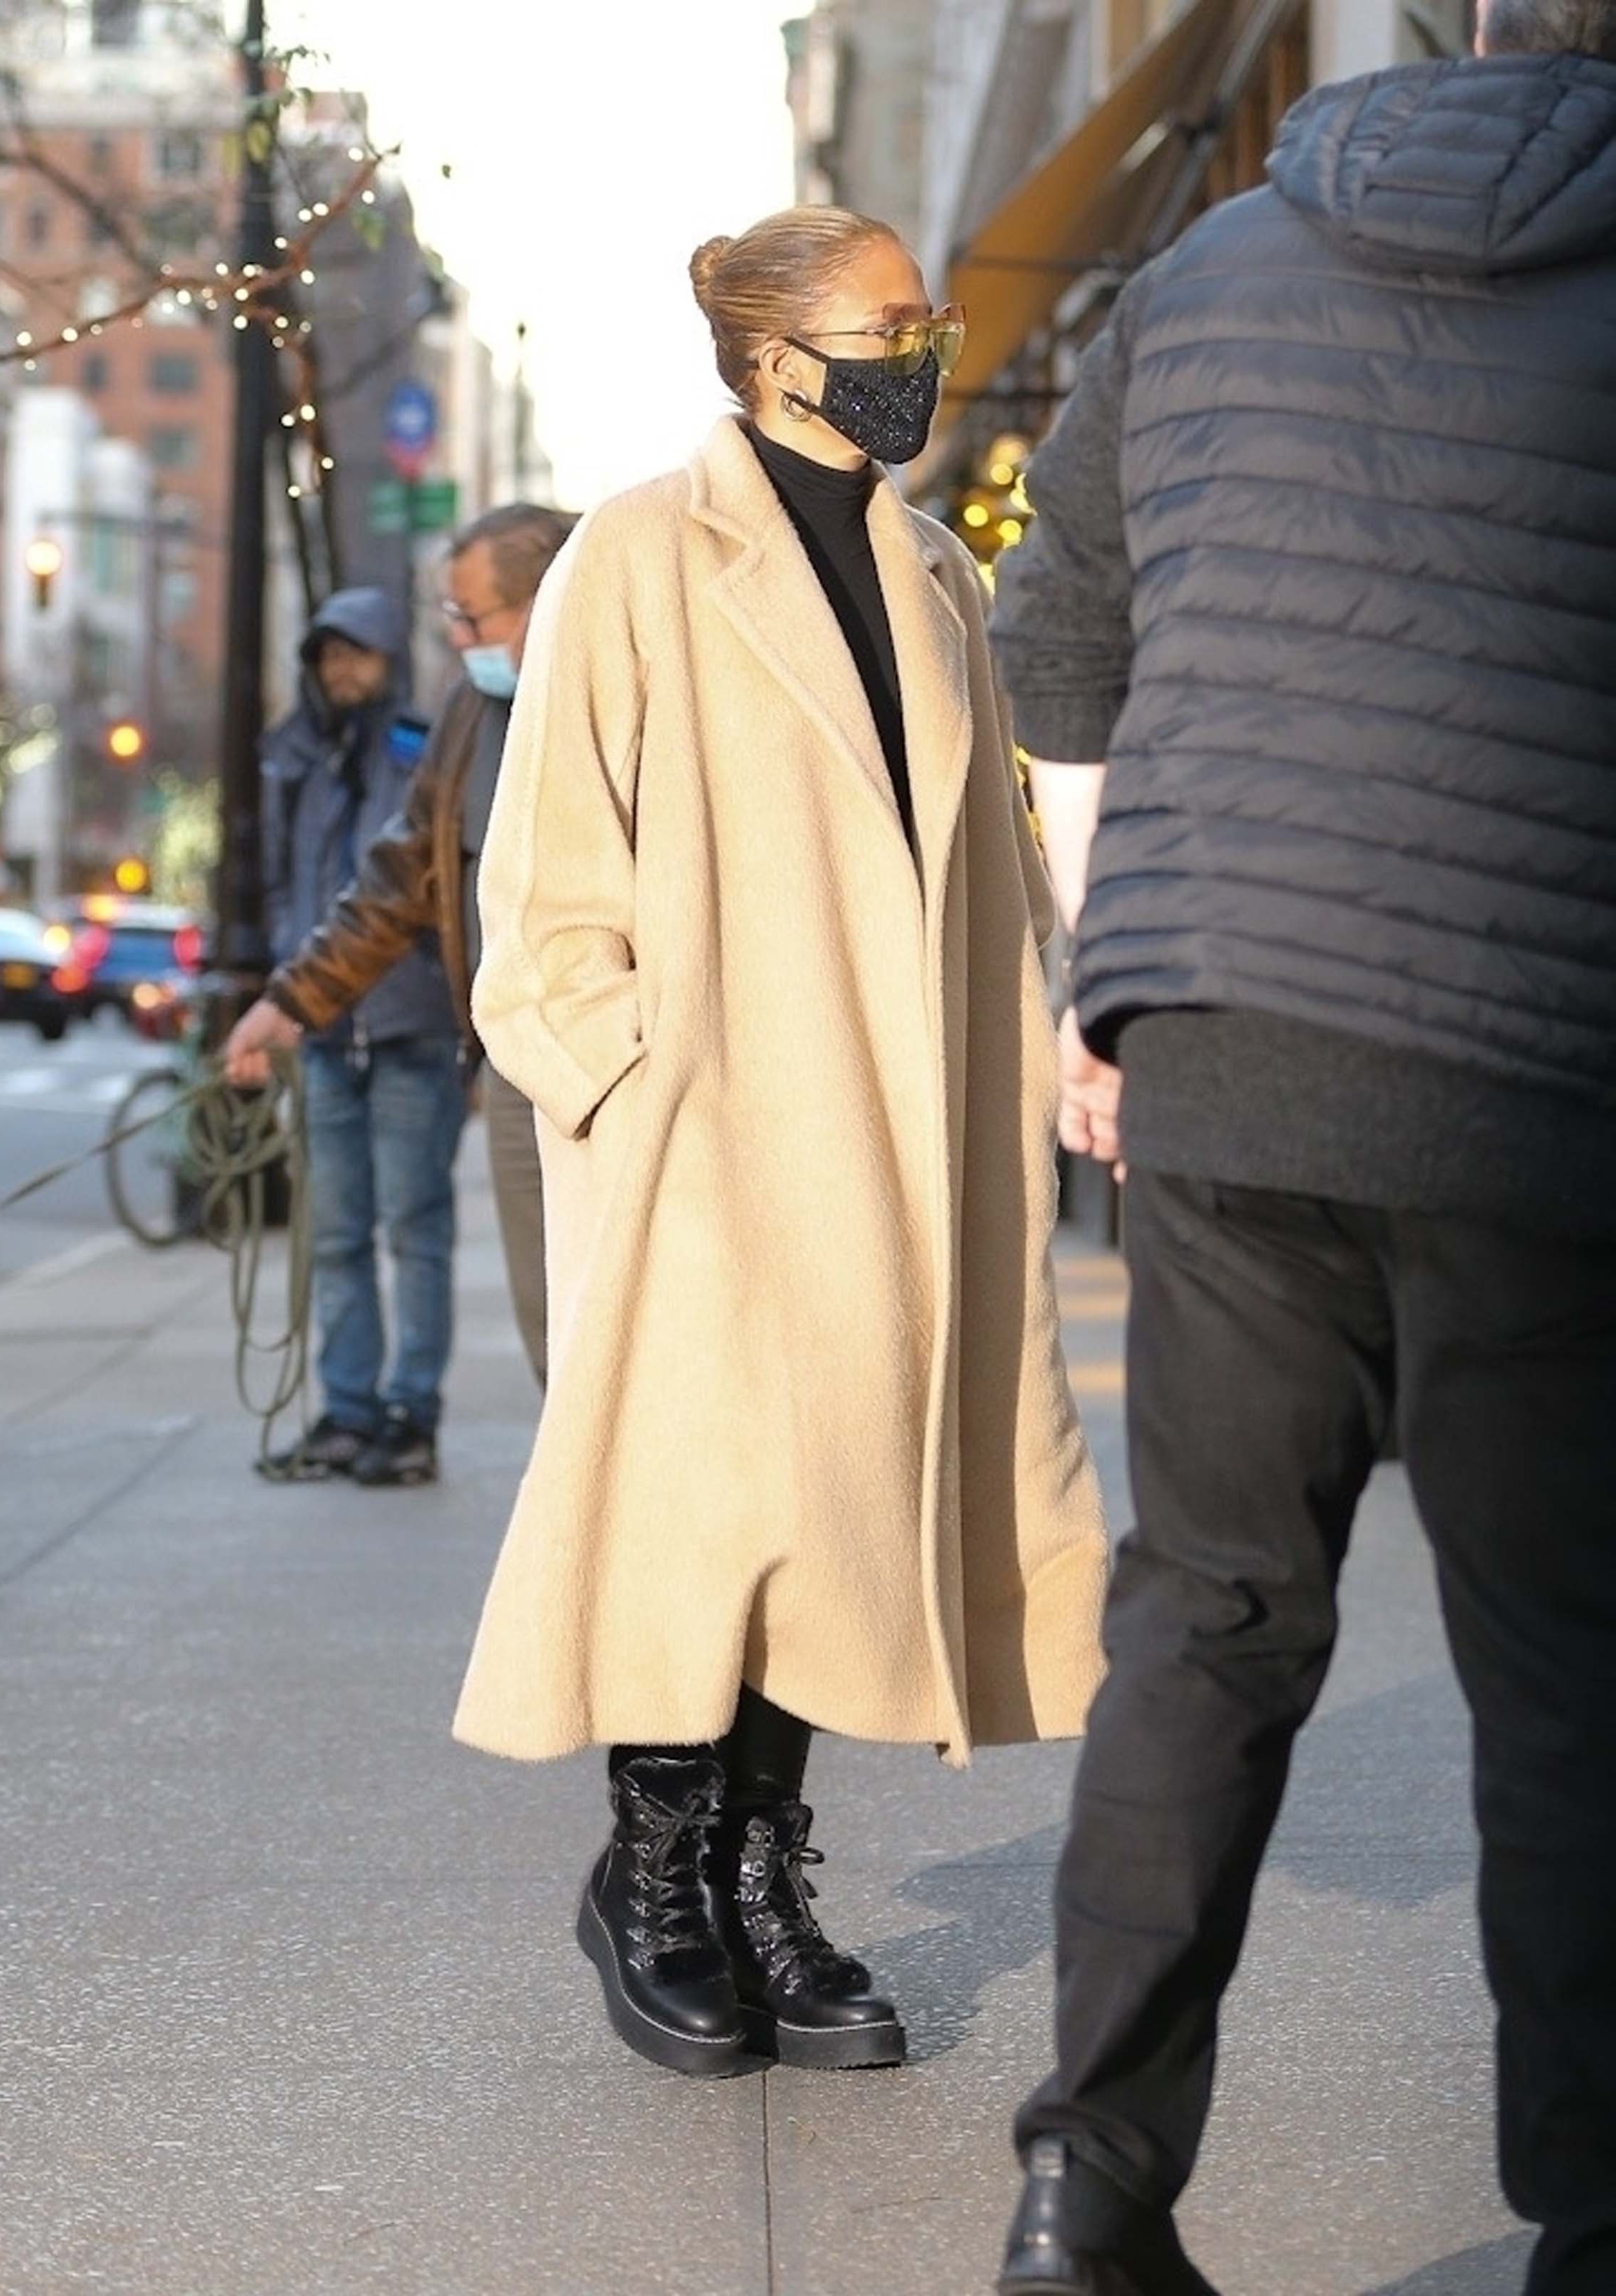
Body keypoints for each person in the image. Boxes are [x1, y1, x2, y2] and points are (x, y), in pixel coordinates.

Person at [989, 5, 1616, 2292]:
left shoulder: (1209, 269)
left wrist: (1105, 993)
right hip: (1536, 1069)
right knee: (1561, 1672)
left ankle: (1088, 2184)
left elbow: (1057, 661)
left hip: (1226, 1042)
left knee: (1208, 1622)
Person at [455, 206, 1108, 2081]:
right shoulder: (638, 558)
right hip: (711, 1129)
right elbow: (550, 866)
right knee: (705, 1515)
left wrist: (1035, 1059)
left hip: (897, 1136)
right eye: (889, 324)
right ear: (768, 356)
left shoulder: (932, 571)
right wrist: (619, 1082)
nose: (927, 348)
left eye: (927, 315)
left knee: (828, 1516)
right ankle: (659, 1871)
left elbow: (983, 866)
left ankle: (760, 1877)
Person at [225, 506, 576, 1398]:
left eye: (473, 617)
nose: (459, 638)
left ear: (547, 600)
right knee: (552, 1321)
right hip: (515, 1061)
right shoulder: (468, 713)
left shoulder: (630, 693)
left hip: (636, 1065)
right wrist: (292, 1000)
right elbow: (400, 872)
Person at [255, 587, 466, 1489]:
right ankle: (346, 1412)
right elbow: (275, 879)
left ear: (389, 660)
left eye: (359, 655)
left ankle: (409, 1416)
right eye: (328, 656)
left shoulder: (421, 749)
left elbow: (416, 879)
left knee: (414, 1230)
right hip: (324, 1034)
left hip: (412, 1029)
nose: (342, 672)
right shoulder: (290, 756)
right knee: (335, 1233)